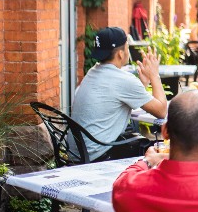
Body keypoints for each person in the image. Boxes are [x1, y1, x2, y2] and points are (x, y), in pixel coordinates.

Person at [71, 26, 167, 161]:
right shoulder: (123, 80)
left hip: (79, 153)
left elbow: (116, 97)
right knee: (157, 150)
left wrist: (142, 84)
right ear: (121, 54)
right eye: (127, 46)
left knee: (137, 138)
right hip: (98, 155)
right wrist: (155, 75)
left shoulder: (93, 72)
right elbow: (162, 111)